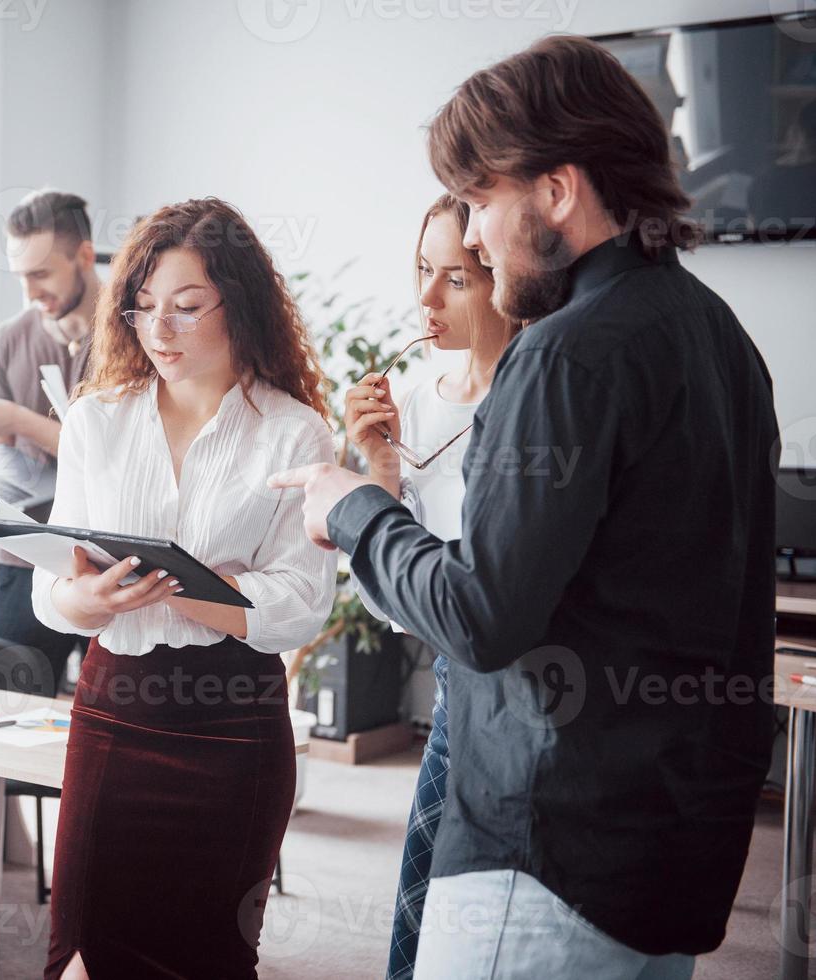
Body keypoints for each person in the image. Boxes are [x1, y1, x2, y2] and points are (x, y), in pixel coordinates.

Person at [272, 36, 776, 980]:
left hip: (547, 851)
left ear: (555, 190)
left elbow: (481, 615)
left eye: (477, 201)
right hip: (672, 853)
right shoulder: (721, 338)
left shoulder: (563, 352)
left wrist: (351, 508)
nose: (468, 235)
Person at [30, 197, 337, 979]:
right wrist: (87, 603)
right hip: (113, 709)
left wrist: (179, 589)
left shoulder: (292, 430)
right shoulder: (96, 421)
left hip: (233, 727)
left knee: (206, 957)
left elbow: (300, 605)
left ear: (239, 302)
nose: (158, 331)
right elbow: (51, 589)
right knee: (82, 958)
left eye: (186, 307)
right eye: (142, 310)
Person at [343, 194, 519, 980]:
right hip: (456, 684)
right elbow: (390, 604)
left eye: (454, 278)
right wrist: (378, 476)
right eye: (422, 270)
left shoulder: (538, 397)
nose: (425, 299)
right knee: (421, 894)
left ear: (503, 279)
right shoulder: (413, 404)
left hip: (520, 681)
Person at [0, 190, 97, 686]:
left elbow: (110, 460)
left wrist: (21, 421)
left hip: (109, 559)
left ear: (85, 257)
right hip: (27, 553)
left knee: (118, 722)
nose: (30, 291)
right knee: (5, 709)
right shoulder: (11, 337)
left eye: (42, 273)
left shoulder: (135, 333)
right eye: (21, 276)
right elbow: (2, 457)